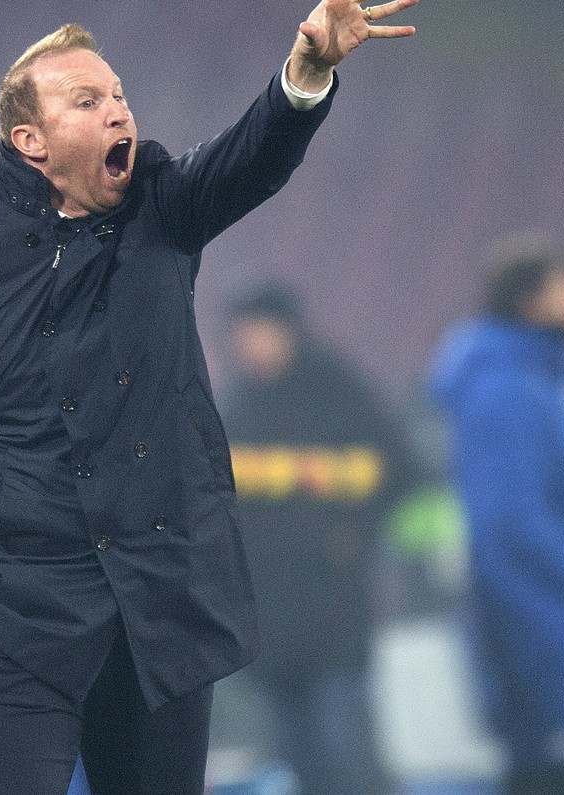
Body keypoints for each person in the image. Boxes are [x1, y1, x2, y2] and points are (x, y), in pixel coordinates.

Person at [0, 0, 419, 795]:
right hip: (14, 613)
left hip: (161, 600)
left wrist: (304, 74)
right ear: (29, 141)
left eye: (118, 96)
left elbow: (251, 156)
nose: (119, 113)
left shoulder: (162, 207)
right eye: (88, 100)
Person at [431, 235, 564, 795]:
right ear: (531, 301)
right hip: (544, 630)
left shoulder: (549, 377)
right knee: (554, 777)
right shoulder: (504, 389)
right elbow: (511, 524)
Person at [218, 280, 418, 795]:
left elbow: (401, 471)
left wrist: (353, 533)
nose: (251, 345)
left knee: (347, 756)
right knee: (296, 765)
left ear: (289, 333)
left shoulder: (339, 395)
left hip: (335, 622)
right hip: (270, 628)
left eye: (261, 331)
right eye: (243, 334)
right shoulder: (233, 409)